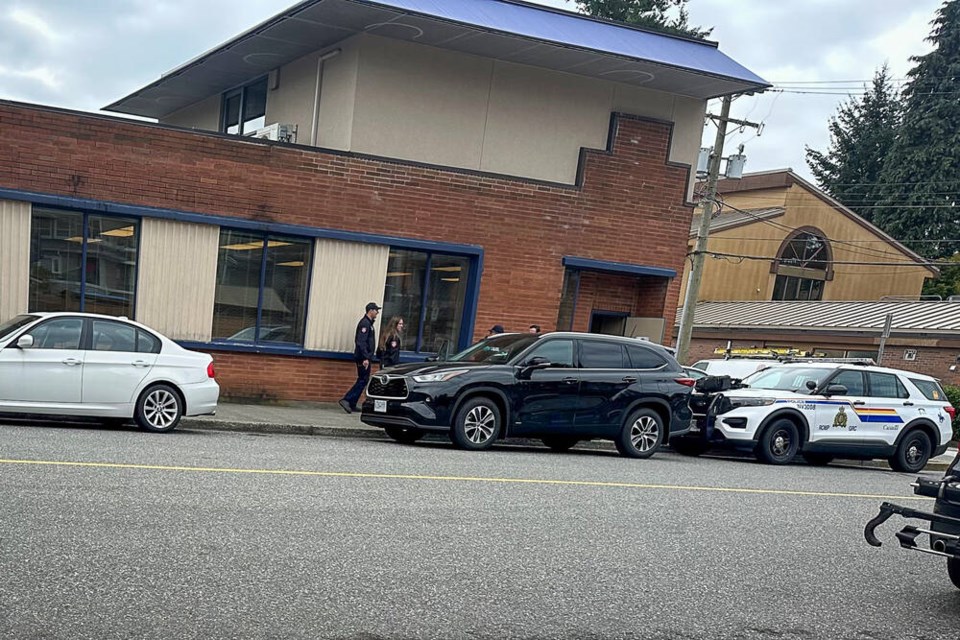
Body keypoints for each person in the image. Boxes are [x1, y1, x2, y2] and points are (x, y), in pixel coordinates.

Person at [339, 302, 380, 414]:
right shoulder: (365, 324)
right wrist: (366, 357)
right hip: (363, 358)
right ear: (370, 310)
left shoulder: (369, 324)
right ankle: (347, 399)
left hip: (365, 357)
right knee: (363, 379)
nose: (377, 312)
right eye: (376, 310)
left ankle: (352, 403)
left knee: (363, 379)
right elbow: (361, 342)